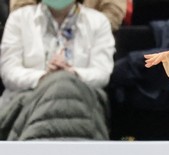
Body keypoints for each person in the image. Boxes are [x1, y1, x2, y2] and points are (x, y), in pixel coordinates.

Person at [0, 0, 114, 140]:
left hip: (80, 99)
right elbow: (9, 72)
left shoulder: (99, 21)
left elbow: (102, 73)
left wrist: (71, 74)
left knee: (64, 85)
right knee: (59, 83)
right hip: (27, 99)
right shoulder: (18, 18)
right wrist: (45, 78)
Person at [9, 0, 125, 30]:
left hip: (91, 46)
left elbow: (113, 13)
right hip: (38, 42)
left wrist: (82, 32)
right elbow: (22, 10)